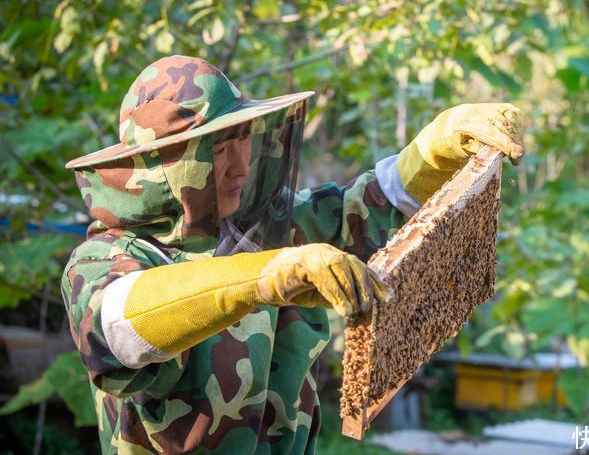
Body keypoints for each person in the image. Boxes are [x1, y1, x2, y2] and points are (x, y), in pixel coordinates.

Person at [61, 55, 523, 454]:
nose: (242, 163)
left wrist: (434, 151)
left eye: (244, 138)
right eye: (220, 148)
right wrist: (262, 277)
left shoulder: (271, 226)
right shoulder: (103, 259)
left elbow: (361, 212)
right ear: (168, 167)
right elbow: (118, 326)